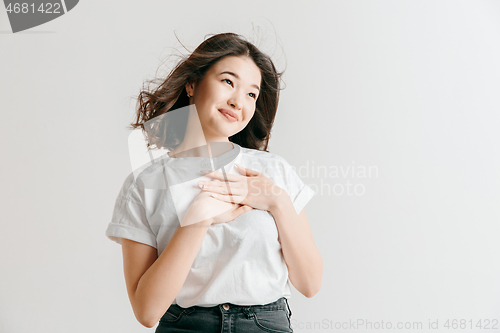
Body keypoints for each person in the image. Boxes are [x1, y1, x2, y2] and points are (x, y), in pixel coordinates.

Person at [105, 32, 323, 332]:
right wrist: (196, 221)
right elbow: (146, 311)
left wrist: (277, 201)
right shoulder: (145, 184)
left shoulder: (272, 171)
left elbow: (310, 284)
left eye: (251, 94)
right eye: (228, 81)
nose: (237, 101)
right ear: (192, 84)